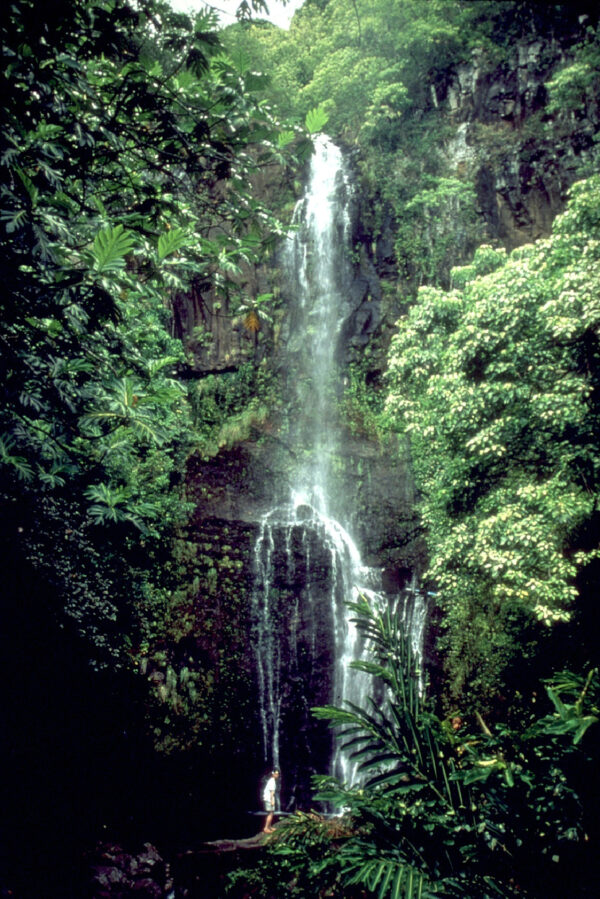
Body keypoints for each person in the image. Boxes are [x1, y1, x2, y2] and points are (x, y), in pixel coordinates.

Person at [262, 768, 280, 833]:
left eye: (277, 774)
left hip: (269, 798)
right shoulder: (272, 781)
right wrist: (272, 801)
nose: (277, 775)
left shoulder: (272, 780)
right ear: (273, 774)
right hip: (269, 799)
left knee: (271, 813)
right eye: (275, 774)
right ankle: (266, 828)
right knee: (270, 813)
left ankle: (269, 827)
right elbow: (271, 792)